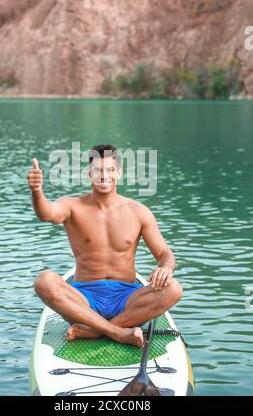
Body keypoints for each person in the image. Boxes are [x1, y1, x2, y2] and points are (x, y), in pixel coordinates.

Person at [28, 144, 182, 348]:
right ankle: (117, 332)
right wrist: (37, 192)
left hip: (127, 299)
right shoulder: (72, 206)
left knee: (173, 288)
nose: (104, 176)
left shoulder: (138, 211)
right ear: (89, 173)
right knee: (44, 281)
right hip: (84, 300)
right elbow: (46, 213)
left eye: (109, 170)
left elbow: (165, 253)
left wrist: (165, 268)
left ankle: (95, 330)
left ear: (118, 172)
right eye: (98, 170)